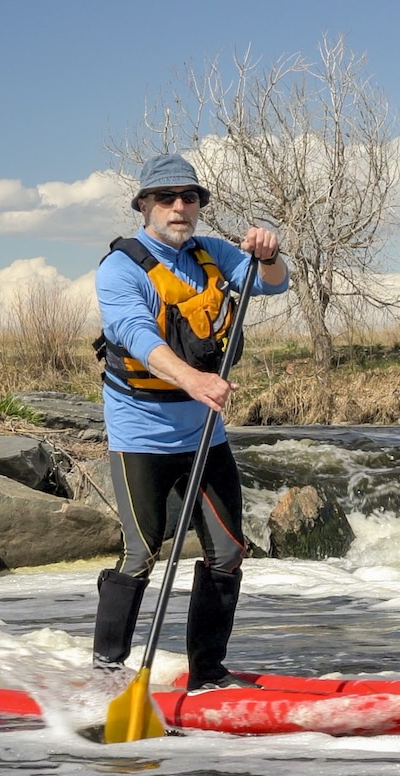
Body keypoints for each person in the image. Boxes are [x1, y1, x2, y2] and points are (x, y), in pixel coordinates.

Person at [91, 154, 289, 691]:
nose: (179, 207)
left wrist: (270, 256)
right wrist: (194, 381)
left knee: (227, 553)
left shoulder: (213, 253)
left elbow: (272, 284)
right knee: (142, 552)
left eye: (190, 198)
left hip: (204, 432)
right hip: (141, 435)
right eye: (166, 198)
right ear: (144, 206)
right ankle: (108, 670)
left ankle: (207, 675)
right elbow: (135, 334)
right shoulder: (120, 269)